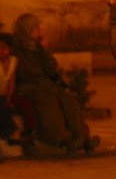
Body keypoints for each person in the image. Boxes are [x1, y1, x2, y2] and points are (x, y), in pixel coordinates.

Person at [10, 14, 98, 156]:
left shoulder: (36, 48)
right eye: (35, 27)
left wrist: (43, 49)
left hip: (43, 85)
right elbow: (28, 73)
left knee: (68, 100)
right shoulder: (17, 48)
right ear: (27, 29)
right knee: (47, 102)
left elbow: (51, 67)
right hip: (27, 87)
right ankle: (60, 138)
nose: (39, 30)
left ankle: (81, 137)